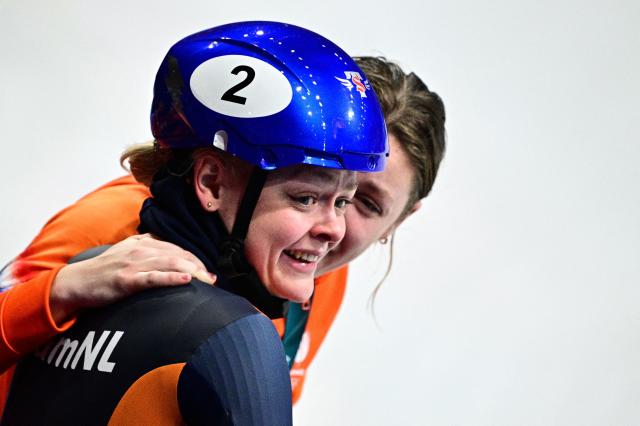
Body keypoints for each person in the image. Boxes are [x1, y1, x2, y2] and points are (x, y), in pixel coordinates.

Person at [0, 56, 446, 409]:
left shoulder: (316, 267)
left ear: (401, 220)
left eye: (359, 202)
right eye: (312, 190)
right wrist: (59, 290)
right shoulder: (120, 216)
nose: (332, 226)